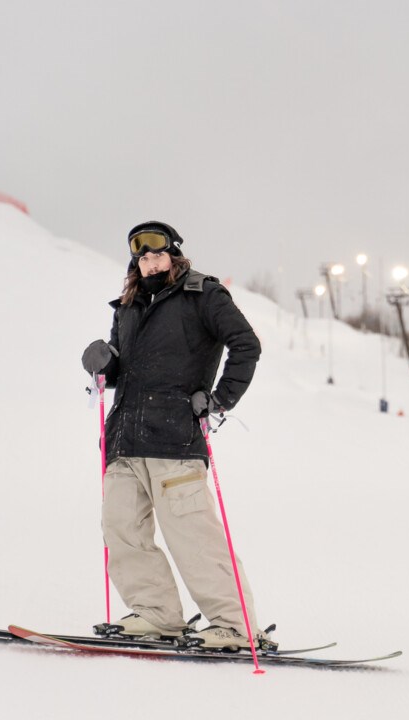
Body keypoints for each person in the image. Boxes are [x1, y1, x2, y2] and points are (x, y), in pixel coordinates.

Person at [80, 220, 268, 651]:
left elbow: (245, 344)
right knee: (121, 528)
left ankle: (235, 624)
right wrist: (104, 365)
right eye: (142, 257)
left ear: (175, 254)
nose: (150, 262)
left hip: (175, 440)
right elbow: (120, 369)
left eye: (157, 253)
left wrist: (220, 400)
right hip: (125, 442)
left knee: (192, 535)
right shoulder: (127, 306)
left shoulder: (204, 295)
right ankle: (156, 614)